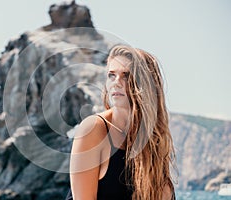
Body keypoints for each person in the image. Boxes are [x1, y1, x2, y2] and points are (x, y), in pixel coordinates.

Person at [66, 44, 176, 200]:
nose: (116, 82)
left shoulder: (153, 141)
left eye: (126, 75)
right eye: (112, 75)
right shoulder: (94, 129)